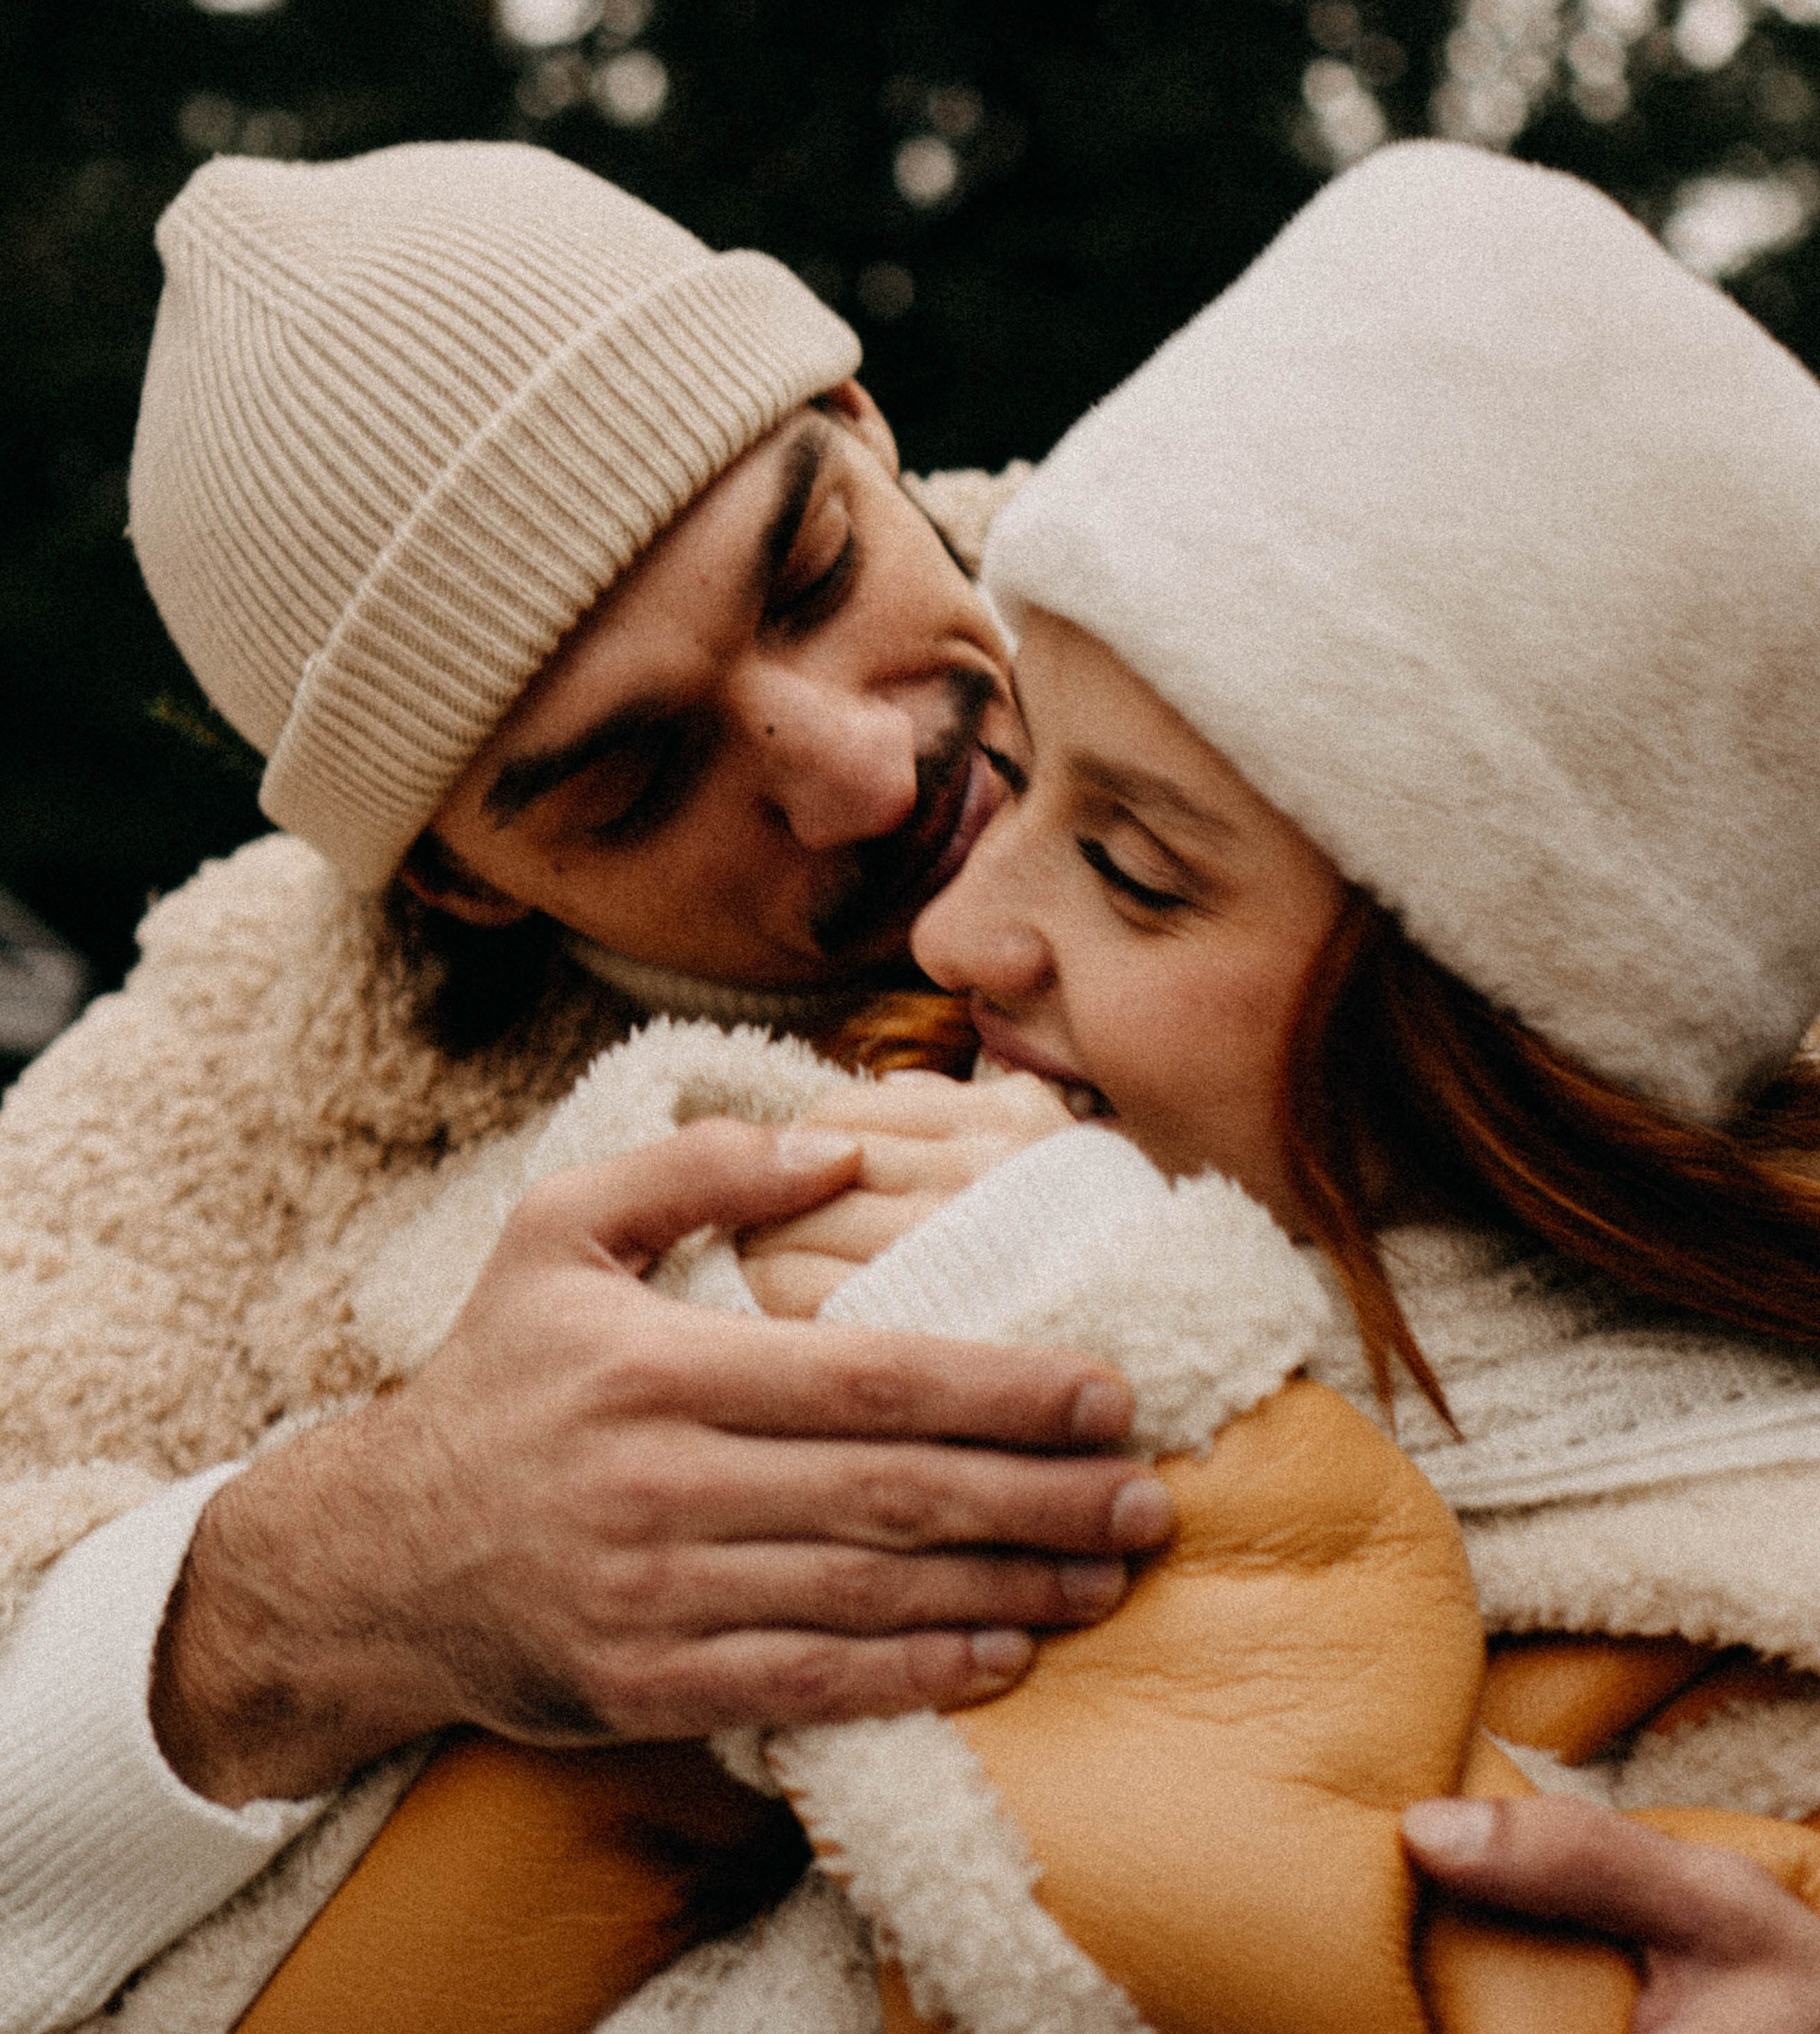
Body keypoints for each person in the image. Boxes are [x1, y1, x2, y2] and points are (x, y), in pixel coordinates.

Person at [362, 137, 1820, 2030]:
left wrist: (1096, 1338)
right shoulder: (753, 1200)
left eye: (1135, 867)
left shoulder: (1739, 1618)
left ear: (1498, 1013)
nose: (956, 920)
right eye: (1028, 777)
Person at [0, 139, 1166, 2033]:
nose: (862, 774)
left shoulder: (1318, 651)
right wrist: (354, 1575)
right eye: (633, 781)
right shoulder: (226, 1091)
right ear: (460, 877)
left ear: (861, 421)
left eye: (814, 568)